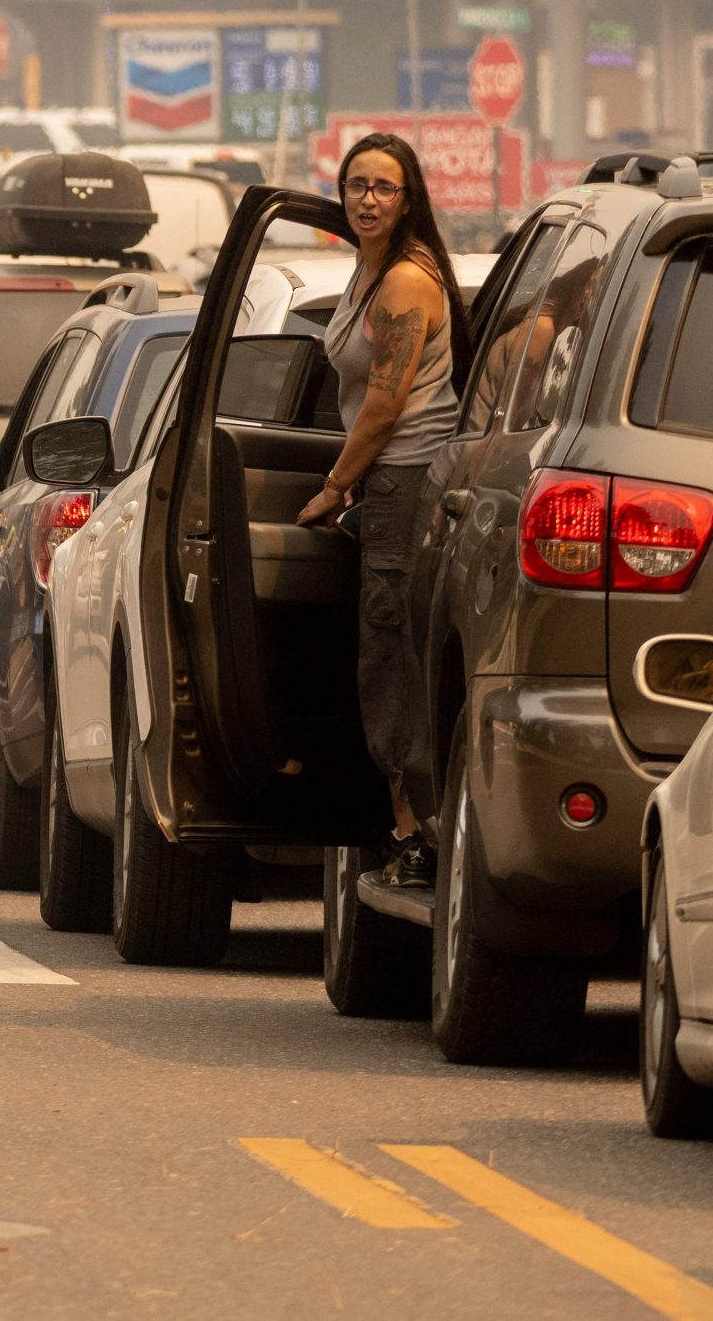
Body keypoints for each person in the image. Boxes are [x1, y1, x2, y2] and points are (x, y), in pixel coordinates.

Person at [297, 133, 469, 888]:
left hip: (403, 480)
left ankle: (419, 834)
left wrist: (336, 485)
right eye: (356, 185)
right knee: (384, 652)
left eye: (384, 188)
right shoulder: (369, 272)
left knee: (392, 656)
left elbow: (385, 404)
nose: (367, 199)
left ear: (409, 199)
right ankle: (408, 823)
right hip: (387, 484)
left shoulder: (405, 282)